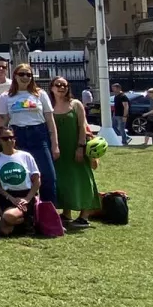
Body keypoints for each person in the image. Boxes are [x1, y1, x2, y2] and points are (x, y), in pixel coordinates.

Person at [0, 64, 60, 204]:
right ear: (15, 76)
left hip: (38, 134)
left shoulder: (40, 94)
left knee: (48, 175)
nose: (25, 77)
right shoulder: (6, 97)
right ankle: (27, 211)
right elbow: (3, 122)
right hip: (17, 136)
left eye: (28, 75)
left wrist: (55, 145)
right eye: (22, 74)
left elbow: (50, 121)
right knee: (22, 176)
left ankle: (49, 214)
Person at [49, 76, 100, 229]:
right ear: (51, 88)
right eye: (57, 85)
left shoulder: (75, 104)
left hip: (76, 147)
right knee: (64, 180)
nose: (61, 88)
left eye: (64, 85)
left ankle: (84, 216)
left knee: (82, 179)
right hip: (59, 149)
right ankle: (66, 213)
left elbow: (82, 126)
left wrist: (81, 147)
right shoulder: (49, 105)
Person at [0, 129, 40, 236]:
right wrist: (10, 198)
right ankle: (22, 223)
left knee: (8, 216)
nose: (9, 141)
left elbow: (37, 179)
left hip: (25, 195)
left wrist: (27, 198)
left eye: (12, 138)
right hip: (7, 196)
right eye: (5, 138)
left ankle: (28, 219)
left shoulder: (26, 156)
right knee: (4, 231)